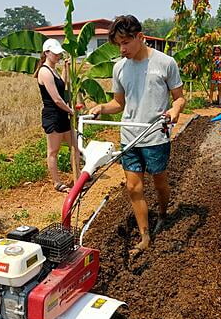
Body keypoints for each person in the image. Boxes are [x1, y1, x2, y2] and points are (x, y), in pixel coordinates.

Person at [90, 15, 185, 255]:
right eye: (118, 44)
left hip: (155, 136)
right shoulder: (119, 67)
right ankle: (145, 236)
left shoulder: (165, 63)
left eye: (125, 42)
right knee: (133, 188)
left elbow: (179, 97)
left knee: (160, 182)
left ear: (140, 37)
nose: (122, 49)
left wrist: (175, 109)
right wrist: (102, 108)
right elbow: (118, 103)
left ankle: (163, 212)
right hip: (130, 137)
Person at [34, 38, 80, 193]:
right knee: (53, 150)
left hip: (62, 114)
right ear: (46, 53)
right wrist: (71, 110)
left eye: (59, 54)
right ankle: (57, 182)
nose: (58, 56)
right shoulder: (45, 71)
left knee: (75, 146)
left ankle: (78, 176)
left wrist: (66, 69)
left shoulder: (54, 70)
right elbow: (57, 99)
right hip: (53, 115)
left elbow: (64, 87)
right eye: (55, 54)